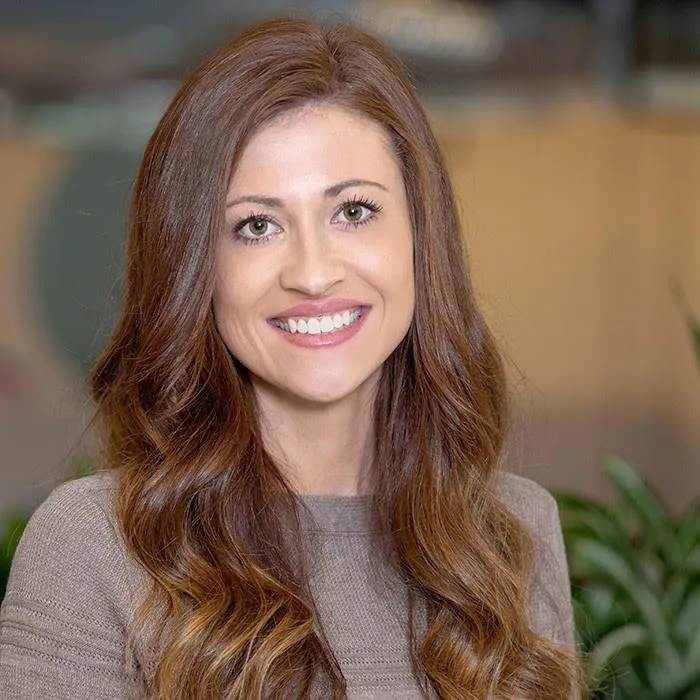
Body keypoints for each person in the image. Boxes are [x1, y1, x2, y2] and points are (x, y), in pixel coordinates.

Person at [0, 16, 581, 700]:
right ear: (196, 269)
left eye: (354, 212)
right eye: (256, 225)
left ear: (422, 235)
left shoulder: (511, 534)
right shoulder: (96, 546)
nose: (312, 273)